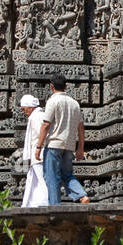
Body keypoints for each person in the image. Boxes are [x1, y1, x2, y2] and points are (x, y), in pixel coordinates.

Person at [34, 73, 90, 205]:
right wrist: (80, 148)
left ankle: (54, 205)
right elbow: (81, 128)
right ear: (66, 87)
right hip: (69, 145)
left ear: (51, 86)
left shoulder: (53, 101)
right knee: (67, 174)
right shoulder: (74, 104)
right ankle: (81, 195)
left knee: (51, 176)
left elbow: (46, 124)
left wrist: (38, 146)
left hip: (54, 144)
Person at [19, 94, 49, 208]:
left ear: (30, 107)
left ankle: (46, 201)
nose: (23, 111)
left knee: (42, 180)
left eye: (23, 109)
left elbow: (40, 134)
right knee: (34, 180)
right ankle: (32, 203)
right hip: (38, 155)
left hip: (39, 154)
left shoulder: (36, 117)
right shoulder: (39, 115)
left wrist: (38, 149)